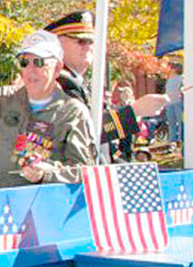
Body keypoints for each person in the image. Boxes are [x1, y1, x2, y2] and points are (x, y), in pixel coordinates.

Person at [0, 30, 96, 187]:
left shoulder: (72, 112)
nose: (31, 70)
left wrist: (47, 173)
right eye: (24, 63)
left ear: (57, 68)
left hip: (42, 201)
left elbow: (84, 171)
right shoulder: (1, 99)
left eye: (39, 62)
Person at [44, 11, 167, 160]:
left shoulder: (79, 84)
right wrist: (134, 112)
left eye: (91, 41)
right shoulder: (57, 84)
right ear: (56, 44)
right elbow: (85, 132)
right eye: (80, 41)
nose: (88, 46)